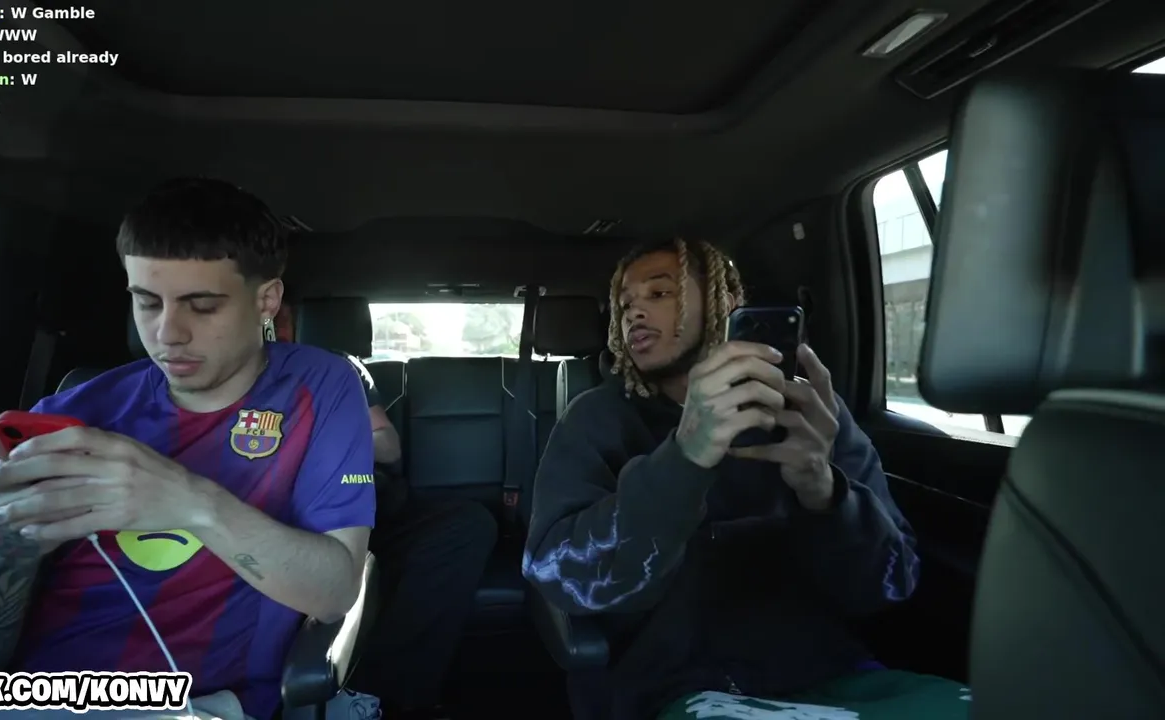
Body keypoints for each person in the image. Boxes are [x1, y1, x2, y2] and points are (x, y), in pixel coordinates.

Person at [0, 178, 375, 720]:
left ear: (266, 300)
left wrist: (188, 500)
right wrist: (7, 546)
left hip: (187, 704)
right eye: (146, 302)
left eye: (202, 306)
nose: (168, 333)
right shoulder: (70, 413)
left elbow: (335, 590)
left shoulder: (318, 386)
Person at [522, 238, 965, 720]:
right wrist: (682, 460)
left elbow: (891, 582)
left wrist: (824, 491)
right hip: (679, 686)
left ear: (726, 301)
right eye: (625, 305)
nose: (635, 314)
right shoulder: (596, 418)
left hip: (833, 674)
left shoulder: (807, 412)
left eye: (660, 293)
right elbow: (558, 572)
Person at [328, 353, 497, 720]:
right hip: (292, 523)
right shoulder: (232, 377)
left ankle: (375, 694)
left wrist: (323, 439)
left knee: (471, 524)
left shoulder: (339, 368)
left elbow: (388, 445)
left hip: (372, 513)